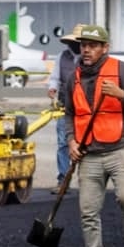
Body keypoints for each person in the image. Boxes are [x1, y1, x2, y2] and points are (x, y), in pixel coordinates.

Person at [64, 24, 124, 247]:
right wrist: (71, 140)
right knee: (88, 210)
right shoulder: (73, 77)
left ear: (105, 48)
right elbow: (69, 114)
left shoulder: (121, 69)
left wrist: (121, 94)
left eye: (92, 46)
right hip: (89, 152)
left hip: (120, 149)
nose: (86, 50)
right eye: (83, 45)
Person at [45, 24, 84, 194]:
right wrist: (52, 88)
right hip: (65, 106)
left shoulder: (89, 58)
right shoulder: (62, 57)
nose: (73, 45)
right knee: (63, 143)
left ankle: (87, 181)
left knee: (85, 144)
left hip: (85, 107)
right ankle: (63, 180)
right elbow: (55, 77)